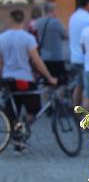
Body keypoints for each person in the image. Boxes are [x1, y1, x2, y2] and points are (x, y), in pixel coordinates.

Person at [0, 10, 58, 148]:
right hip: (24, 78)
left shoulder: (2, 37)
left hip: (8, 78)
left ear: (11, 20)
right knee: (34, 109)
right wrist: (49, 77)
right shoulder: (28, 38)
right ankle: (22, 130)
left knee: (12, 110)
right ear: (23, 20)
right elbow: (36, 60)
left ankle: (16, 136)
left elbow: (0, 61)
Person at [68, 0, 89, 107]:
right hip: (85, 58)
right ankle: (85, 117)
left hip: (74, 56)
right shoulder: (87, 18)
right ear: (87, 4)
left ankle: (75, 108)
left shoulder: (73, 16)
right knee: (88, 89)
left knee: (79, 85)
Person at [34, 2, 67, 83]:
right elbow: (65, 35)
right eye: (56, 10)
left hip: (44, 56)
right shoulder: (56, 22)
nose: (58, 12)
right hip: (56, 56)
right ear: (52, 10)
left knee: (46, 82)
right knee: (60, 81)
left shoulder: (38, 22)